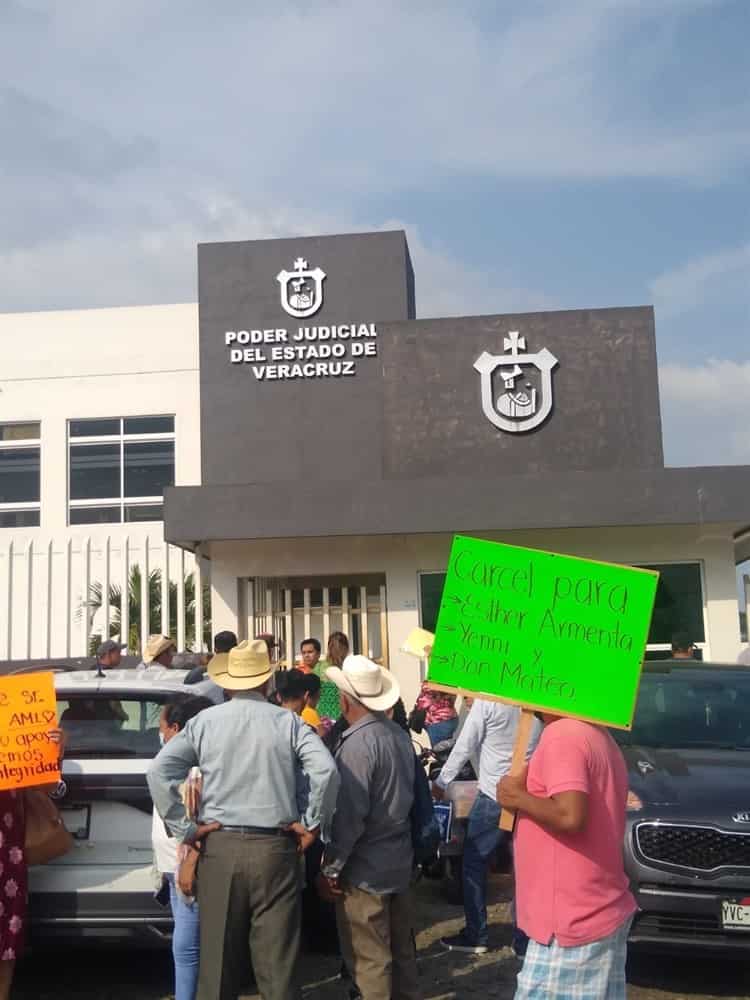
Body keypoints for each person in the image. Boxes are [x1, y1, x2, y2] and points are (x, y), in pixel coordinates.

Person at [147, 639, 339, 1000]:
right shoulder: (288, 722)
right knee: (278, 967)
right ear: (267, 683)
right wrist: (313, 823)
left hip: (220, 847)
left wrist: (186, 830)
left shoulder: (204, 722)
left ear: (226, 683)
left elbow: (159, 772)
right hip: (276, 848)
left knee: (217, 967)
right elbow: (326, 772)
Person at [497, 714, 636, 1000]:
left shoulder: (563, 735)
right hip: (594, 907)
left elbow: (570, 815)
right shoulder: (596, 733)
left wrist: (517, 797)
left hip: (569, 919)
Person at [318, 655, 421, 1000]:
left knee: (371, 962)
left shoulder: (357, 746)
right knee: (403, 956)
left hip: (365, 870)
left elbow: (349, 817)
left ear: (346, 700)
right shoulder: (398, 736)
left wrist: (331, 867)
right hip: (398, 860)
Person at [432, 701, 541, 955]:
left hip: (494, 794)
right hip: (528, 796)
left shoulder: (488, 702)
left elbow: (464, 744)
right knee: (524, 868)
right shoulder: (538, 699)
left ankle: (476, 934)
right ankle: (525, 939)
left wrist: (442, 781)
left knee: (474, 863)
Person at [152, 695, 214, 1000]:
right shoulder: (180, 765)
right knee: (186, 943)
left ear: (176, 728)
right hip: (174, 867)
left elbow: (197, 821)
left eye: (162, 728)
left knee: (187, 946)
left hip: (187, 866)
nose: (160, 735)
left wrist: (190, 856)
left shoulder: (192, 771)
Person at [0, 726, 65, 1000]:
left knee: (6, 937)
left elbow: (51, 788)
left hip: (7, 855)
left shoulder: (18, 735)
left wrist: (54, 752)